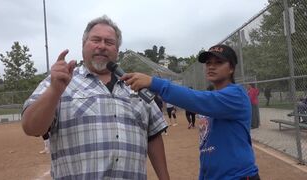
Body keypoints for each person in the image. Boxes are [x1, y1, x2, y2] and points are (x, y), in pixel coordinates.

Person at [21, 15, 169, 180]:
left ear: (117, 50)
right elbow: (31, 127)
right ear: (84, 45)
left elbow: (153, 136)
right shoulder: (60, 81)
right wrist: (54, 91)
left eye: (109, 42)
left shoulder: (135, 85)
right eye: (96, 40)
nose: (102, 46)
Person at [121, 44, 260, 180]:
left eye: (219, 62)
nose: (211, 66)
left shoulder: (236, 95)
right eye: (208, 63)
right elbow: (207, 147)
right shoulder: (215, 100)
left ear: (231, 68)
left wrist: (153, 82)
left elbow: (196, 99)